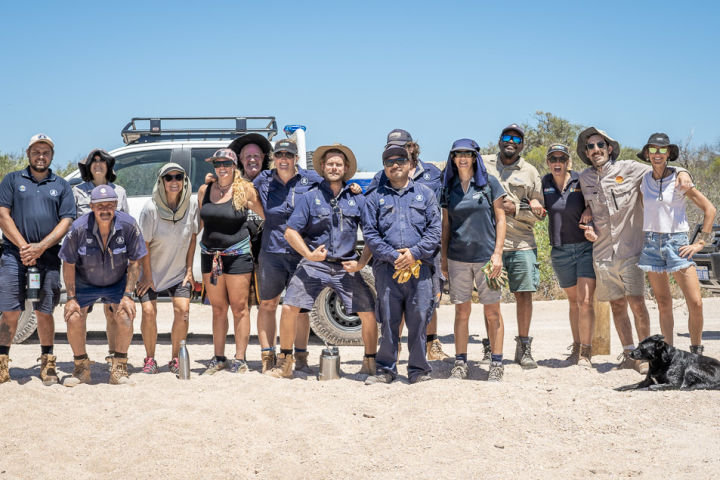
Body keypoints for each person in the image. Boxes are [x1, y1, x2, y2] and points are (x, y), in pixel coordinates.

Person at [576, 127, 692, 373]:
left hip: (631, 250)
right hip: (603, 254)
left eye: (600, 145)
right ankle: (629, 354)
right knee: (617, 306)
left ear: (609, 148)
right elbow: (587, 207)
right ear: (586, 152)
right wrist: (587, 222)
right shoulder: (584, 179)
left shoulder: (629, 169)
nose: (595, 150)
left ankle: (645, 358)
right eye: (590, 147)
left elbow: (660, 168)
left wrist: (682, 171)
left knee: (638, 304)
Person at [268, 144, 377, 378]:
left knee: (368, 313)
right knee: (289, 307)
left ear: (346, 168)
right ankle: (285, 363)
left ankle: (369, 363)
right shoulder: (310, 197)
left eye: (338, 164)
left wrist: (360, 264)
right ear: (322, 167)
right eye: (330, 164)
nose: (334, 167)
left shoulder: (358, 199)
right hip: (315, 263)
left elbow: (371, 237)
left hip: (346, 265)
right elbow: (290, 232)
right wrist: (308, 255)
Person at [367, 129, 451, 362]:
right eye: (390, 154)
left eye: (403, 149)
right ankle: (394, 353)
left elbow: (441, 212)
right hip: (391, 258)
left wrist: (417, 253)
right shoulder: (380, 178)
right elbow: (370, 217)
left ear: (411, 147)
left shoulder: (432, 174)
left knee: (427, 303)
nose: (396, 160)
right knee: (392, 309)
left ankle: (430, 345)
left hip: (425, 253)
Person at [0, 134, 75, 385]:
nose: (40, 156)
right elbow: (3, 215)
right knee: (10, 311)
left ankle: (47, 363)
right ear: (28, 154)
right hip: (14, 254)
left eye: (45, 152)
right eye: (36, 151)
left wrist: (41, 247)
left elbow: (66, 220)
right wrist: (25, 247)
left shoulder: (62, 185)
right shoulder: (12, 180)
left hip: (49, 256)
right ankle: (2, 362)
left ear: (52, 156)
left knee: (44, 311)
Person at [59, 185, 149, 386]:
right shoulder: (78, 228)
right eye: (100, 206)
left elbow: (135, 261)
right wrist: (71, 298)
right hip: (85, 281)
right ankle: (81, 368)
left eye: (110, 205)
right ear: (91, 206)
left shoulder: (128, 225)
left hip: (117, 281)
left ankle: (119, 367)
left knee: (126, 313)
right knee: (73, 316)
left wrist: (128, 294)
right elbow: (68, 263)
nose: (105, 209)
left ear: (116, 205)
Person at [636, 133, 716, 354]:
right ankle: (668, 354)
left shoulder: (680, 180)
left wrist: (700, 243)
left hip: (677, 243)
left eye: (662, 150)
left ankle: (696, 351)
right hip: (652, 243)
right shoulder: (644, 180)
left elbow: (710, 210)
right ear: (647, 153)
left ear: (669, 153)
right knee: (663, 303)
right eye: (653, 150)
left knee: (696, 302)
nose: (657, 154)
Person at [253, 139, 322, 373]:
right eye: (279, 155)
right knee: (268, 303)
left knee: (299, 307)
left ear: (296, 159)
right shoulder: (263, 179)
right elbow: (241, 190)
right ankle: (267, 356)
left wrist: (352, 188)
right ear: (274, 158)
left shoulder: (310, 180)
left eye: (288, 155)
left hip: (301, 252)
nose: (284, 159)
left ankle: (300, 356)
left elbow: (334, 188)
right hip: (271, 251)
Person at [440, 139, 507, 381]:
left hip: (487, 259)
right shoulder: (448, 187)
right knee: (462, 312)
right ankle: (460, 362)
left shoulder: (489, 183)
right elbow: (446, 225)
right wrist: (444, 260)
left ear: (475, 157)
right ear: (453, 158)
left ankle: (497, 363)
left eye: (467, 154)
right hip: (458, 258)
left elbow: (500, 219)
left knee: (492, 312)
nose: (463, 158)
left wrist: (498, 253)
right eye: (458, 154)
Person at [197, 149, 264, 375]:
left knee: (239, 308)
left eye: (226, 163)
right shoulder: (205, 190)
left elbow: (266, 215)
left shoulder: (245, 190)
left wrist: (257, 234)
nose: (221, 167)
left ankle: (240, 358)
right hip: (210, 256)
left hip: (237, 255)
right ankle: (218, 357)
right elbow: (202, 222)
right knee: (217, 309)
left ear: (234, 165)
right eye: (217, 163)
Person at [484, 124, 545, 369]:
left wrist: (517, 209)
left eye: (516, 139)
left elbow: (540, 211)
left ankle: (524, 347)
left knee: (524, 295)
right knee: (491, 298)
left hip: (521, 244)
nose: (511, 141)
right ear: (499, 140)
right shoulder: (484, 164)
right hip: (489, 244)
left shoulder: (530, 172)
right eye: (507, 137)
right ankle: (490, 345)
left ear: (522, 145)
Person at [137, 163, 199, 375]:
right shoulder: (150, 209)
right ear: (161, 182)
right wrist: (146, 276)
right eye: (169, 178)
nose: (174, 182)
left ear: (184, 181)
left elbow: (192, 238)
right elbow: (143, 245)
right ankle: (150, 359)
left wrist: (189, 270)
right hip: (150, 271)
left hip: (178, 272)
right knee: (148, 312)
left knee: (183, 311)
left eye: (178, 177)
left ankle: (175, 358)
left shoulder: (191, 206)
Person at [73, 148, 130, 367]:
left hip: (113, 260)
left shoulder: (120, 191)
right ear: (88, 167)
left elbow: (125, 224)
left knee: (113, 309)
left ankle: (115, 355)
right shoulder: (77, 192)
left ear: (108, 165)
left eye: (101, 161)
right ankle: (82, 359)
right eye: (93, 161)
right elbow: (73, 225)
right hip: (85, 260)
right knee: (81, 311)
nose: (97, 164)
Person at [541, 144, 595, 367]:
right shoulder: (544, 183)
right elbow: (534, 200)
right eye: (553, 158)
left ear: (568, 162)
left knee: (585, 301)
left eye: (562, 159)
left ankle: (586, 352)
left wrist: (590, 209)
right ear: (548, 162)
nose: (557, 162)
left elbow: (598, 199)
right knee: (573, 302)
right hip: (560, 250)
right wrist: (535, 202)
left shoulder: (581, 180)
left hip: (584, 247)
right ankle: (576, 347)